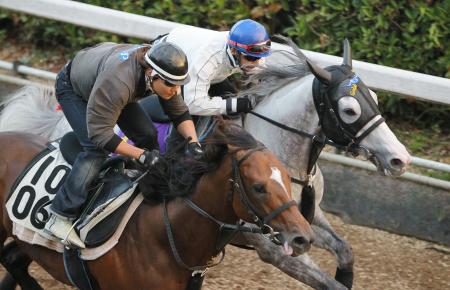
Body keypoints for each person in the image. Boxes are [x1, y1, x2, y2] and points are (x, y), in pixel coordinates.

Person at [44, 41, 202, 248]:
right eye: (171, 85)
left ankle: (143, 187)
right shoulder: (119, 82)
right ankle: (60, 215)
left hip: (104, 80)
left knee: (147, 135)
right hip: (74, 89)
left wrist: (194, 143)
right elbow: (100, 135)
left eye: (179, 84)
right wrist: (141, 155)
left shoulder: (161, 76)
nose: (176, 90)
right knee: (95, 150)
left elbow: (179, 112)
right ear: (151, 75)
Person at [150, 19, 272, 149]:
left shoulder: (254, 52)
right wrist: (234, 104)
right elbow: (193, 103)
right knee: (190, 119)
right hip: (172, 64)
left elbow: (259, 76)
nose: (257, 63)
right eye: (251, 58)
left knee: (235, 107)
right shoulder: (207, 58)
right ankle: (172, 159)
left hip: (213, 74)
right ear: (234, 51)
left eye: (259, 58)